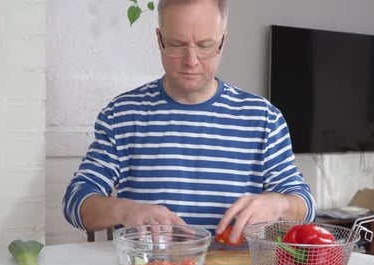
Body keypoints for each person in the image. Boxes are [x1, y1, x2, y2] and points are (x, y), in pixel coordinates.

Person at [63, 0, 315, 243]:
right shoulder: (120, 114)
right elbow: (76, 200)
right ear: (159, 39)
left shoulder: (264, 118)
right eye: (176, 44)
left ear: (223, 41)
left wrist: (279, 204)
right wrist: (123, 210)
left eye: (205, 45)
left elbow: (305, 205)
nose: (191, 61)